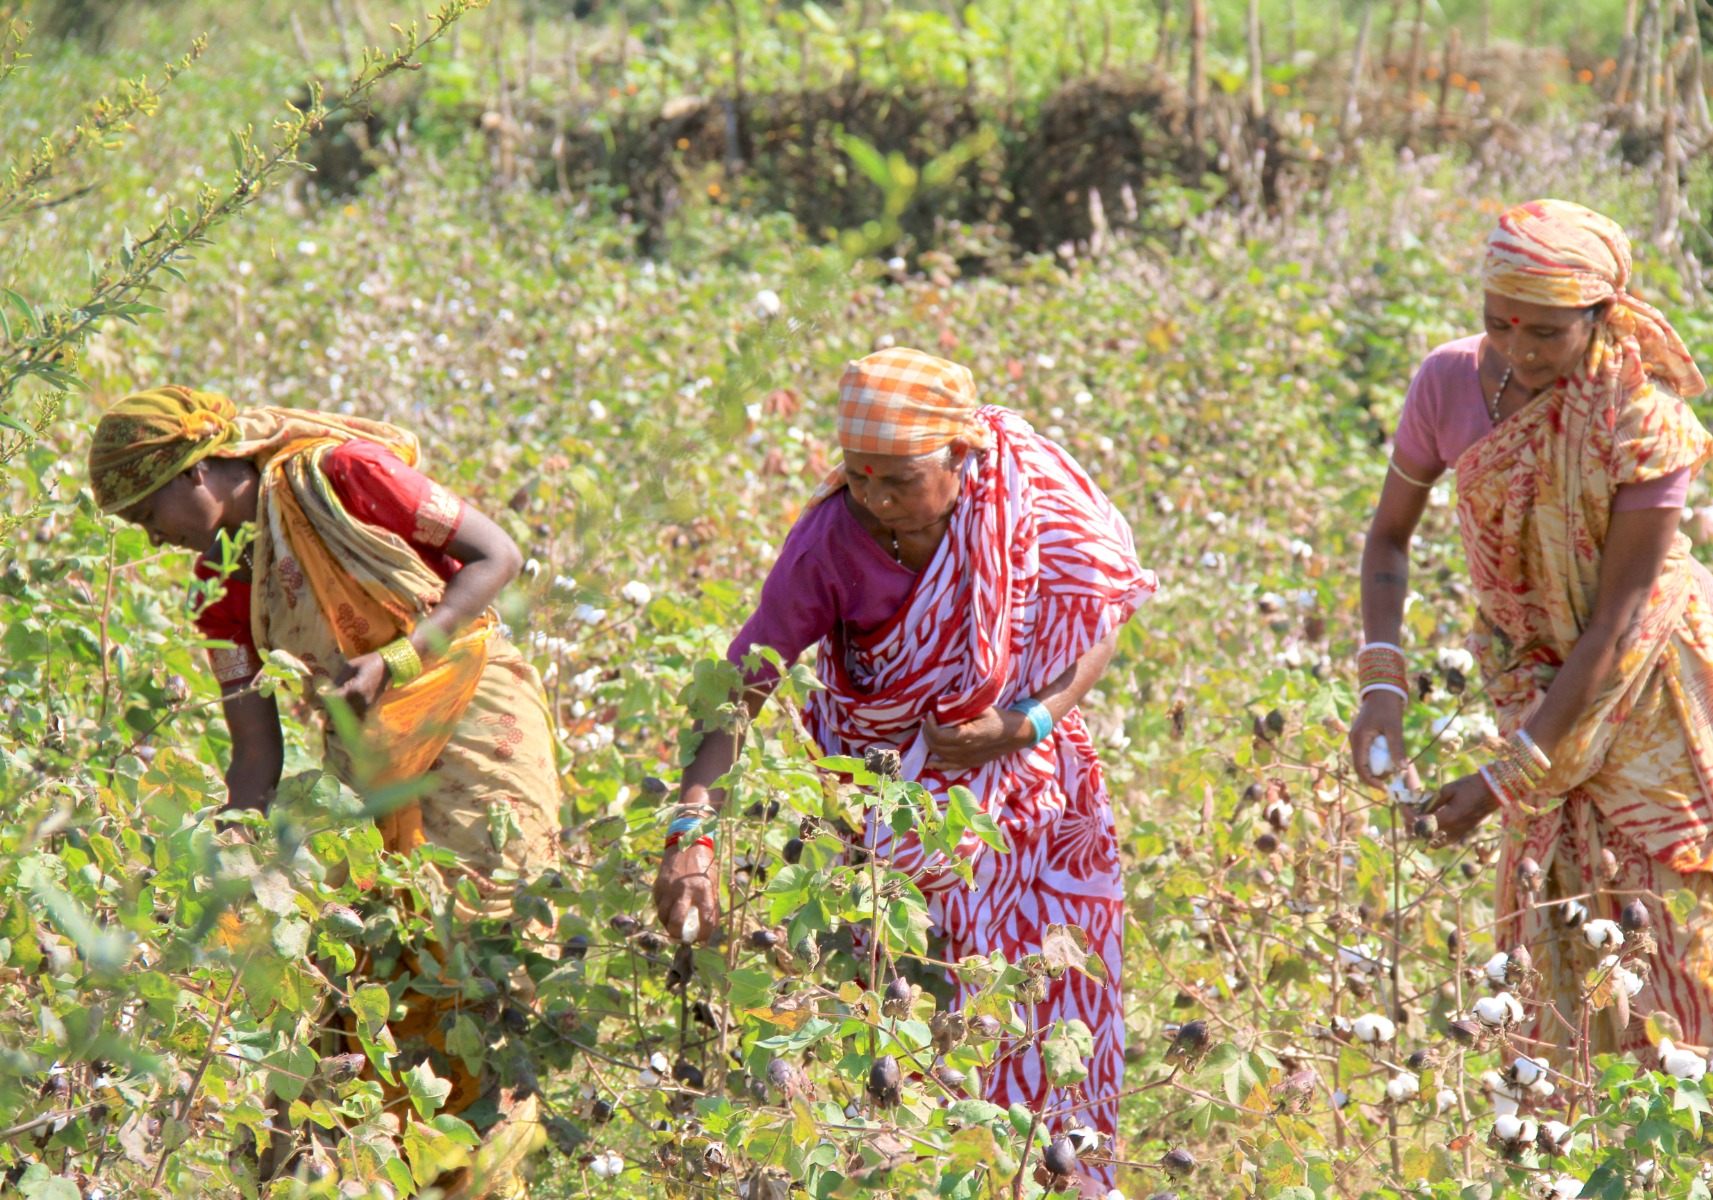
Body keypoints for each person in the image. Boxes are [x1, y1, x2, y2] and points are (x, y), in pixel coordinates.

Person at [652, 348, 1156, 1175]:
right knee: (906, 1024)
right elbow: (741, 689)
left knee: (1050, 1007)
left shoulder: (1021, 488)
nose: (878, 501)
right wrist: (691, 822)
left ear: (962, 456)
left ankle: (1052, 1177)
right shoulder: (828, 547)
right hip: (889, 812)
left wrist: (1025, 724)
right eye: (858, 477)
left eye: (899, 480)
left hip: (1038, 799)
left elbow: (1095, 609)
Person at [87, 386, 560, 1199]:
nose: (153, 540)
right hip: (368, 769)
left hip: (477, 732)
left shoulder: (341, 475)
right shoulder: (221, 581)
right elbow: (254, 750)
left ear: (194, 474)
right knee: (386, 973)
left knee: (487, 958)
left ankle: (495, 1177)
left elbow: (498, 556)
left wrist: (402, 658)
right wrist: (230, 856)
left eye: (146, 515)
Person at [1348, 200, 1713, 1071]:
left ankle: (1701, 1145)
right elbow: (1389, 537)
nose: (1519, 347)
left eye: (1546, 330)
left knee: (1674, 922)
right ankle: (1572, 1146)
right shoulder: (1445, 383)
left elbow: (1618, 624)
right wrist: (1381, 685)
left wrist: (1507, 778)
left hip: (1652, 685)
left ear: (1601, 314)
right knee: (1560, 924)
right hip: (1535, 680)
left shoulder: (1640, 419)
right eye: (1497, 322)